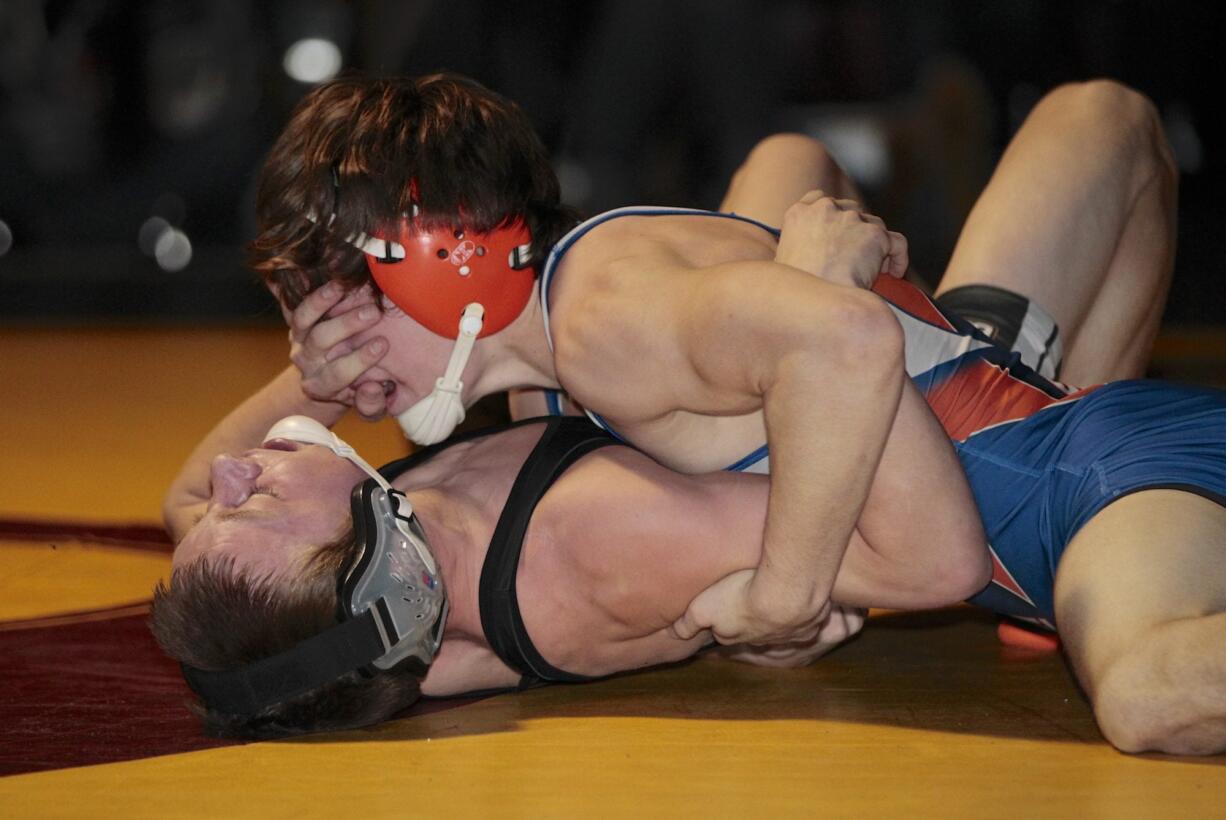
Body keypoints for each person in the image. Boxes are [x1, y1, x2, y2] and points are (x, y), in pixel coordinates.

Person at [246, 73, 1175, 650]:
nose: (335, 360)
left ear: (455, 261)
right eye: (313, 339)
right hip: (969, 392)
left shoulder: (605, 330)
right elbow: (796, 166)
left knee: (1107, 118)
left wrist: (785, 592)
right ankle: (1081, 438)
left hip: (1005, 486)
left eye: (343, 322)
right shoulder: (550, 358)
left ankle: (1120, 513)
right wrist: (321, 383)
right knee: (1102, 116)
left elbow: (852, 359)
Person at [153, 353, 1226, 756]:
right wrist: (817, 321)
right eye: (245, 515)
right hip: (1077, 488)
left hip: (1027, 438)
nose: (230, 478)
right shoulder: (590, 544)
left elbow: (189, 501)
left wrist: (321, 365)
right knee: (1141, 698)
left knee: (1100, 123)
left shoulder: (395, 637)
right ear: (382, 578)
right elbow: (931, 559)